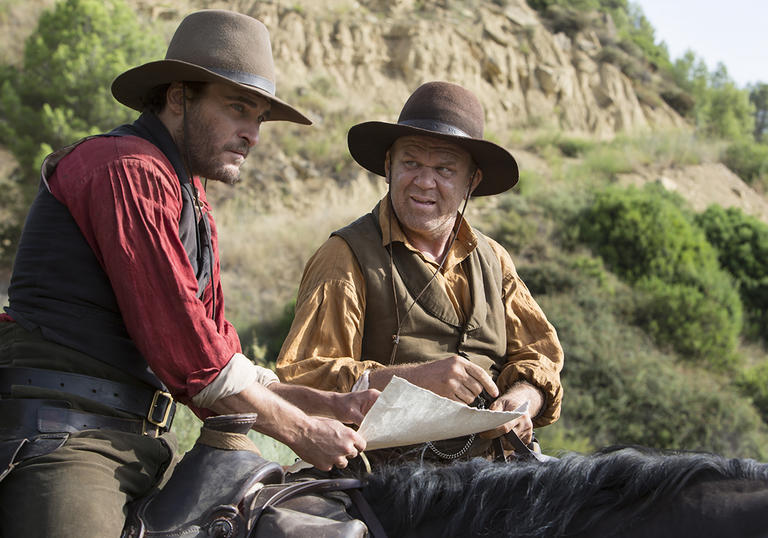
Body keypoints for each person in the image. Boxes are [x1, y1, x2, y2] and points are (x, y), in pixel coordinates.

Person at [0, 10, 376, 537]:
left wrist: (323, 402)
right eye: (239, 109)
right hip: (67, 438)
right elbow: (194, 360)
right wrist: (301, 429)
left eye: (260, 118)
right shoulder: (126, 169)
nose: (253, 135)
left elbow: (220, 351)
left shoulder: (187, 193)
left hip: (139, 443)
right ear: (179, 97)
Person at [277, 81, 564, 462]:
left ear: (471, 181)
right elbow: (305, 378)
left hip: (492, 475)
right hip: (383, 480)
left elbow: (539, 357)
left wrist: (525, 398)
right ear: (388, 167)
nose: (424, 182)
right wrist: (413, 380)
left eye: (445, 169)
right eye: (411, 163)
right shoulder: (344, 256)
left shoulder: (494, 259)